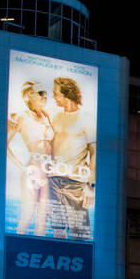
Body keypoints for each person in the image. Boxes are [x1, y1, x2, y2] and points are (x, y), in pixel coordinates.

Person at [47, 76, 96, 240]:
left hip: (75, 184)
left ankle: (82, 263)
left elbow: (95, 153)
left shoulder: (87, 119)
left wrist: (91, 186)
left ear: (66, 94)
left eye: (56, 94)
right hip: (53, 180)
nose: (54, 97)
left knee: (80, 234)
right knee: (58, 232)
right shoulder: (55, 117)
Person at [6, 80, 54, 236]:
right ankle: (15, 252)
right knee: (27, 216)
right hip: (32, 170)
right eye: (41, 93)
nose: (44, 97)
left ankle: (38, 254)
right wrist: (21, 167)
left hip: (48, 173)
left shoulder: (47, 117)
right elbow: (4, 143)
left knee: (43, 220)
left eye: (46, 93)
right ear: (30, 96)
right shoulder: (21, 116)